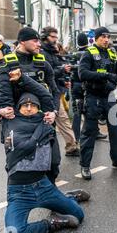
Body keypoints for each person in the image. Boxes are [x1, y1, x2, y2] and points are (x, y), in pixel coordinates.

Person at [3, 91, 89, 233]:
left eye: (33, 106)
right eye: (24, 105)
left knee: (79, 215)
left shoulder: (47, 125)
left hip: (43, 187)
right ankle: (52, 223)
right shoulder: (9, 124)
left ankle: (69, 197)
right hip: (19, 192)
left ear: (39, 109)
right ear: (18, 108)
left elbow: (49, 95)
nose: (29, 108)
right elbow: (1, 90)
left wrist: (52, 114)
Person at [0, 27, 61, 184]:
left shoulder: (43, 63)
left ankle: (51, 196)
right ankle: (21, 200)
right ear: (22, 41)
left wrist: (54, 112)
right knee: (16, 166)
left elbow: (55, 92)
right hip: (17, 123)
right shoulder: (6, 63)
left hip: (43, 120)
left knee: (53, 162)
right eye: (35, 41)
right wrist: (0, 109)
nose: (39, 45)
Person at [78, 27, 117, 180]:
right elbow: (83, 74)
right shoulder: (89, 53)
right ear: (96, 38)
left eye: (108, 37)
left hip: (109, 97)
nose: (106, 39)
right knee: (89, 132)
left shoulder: (112, 54)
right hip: (93, 97)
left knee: (116, 129)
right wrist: (106, 75)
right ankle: (85, 165)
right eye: (103, 37)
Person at [40, 26, 79, 157]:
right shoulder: (42, 53)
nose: (55, 40)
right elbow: (46, 74)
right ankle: (67, 147)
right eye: (53, 37)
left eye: (56, 37)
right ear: (45, 37)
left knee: (62, 119)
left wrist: (63, 80)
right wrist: (63, 70)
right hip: (46, 92)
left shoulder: (52, 52)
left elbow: (54, 72)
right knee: (58, 120)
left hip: (56, 90)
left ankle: (71, 146)